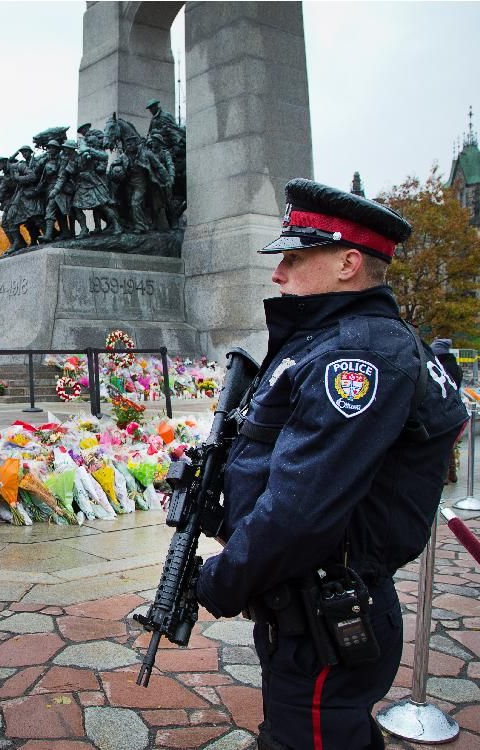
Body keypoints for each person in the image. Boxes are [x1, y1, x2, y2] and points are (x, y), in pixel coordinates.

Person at [194, 178, 468, 750]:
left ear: (348, 263)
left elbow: (302, 509)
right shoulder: (334, 340)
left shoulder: (356, 354)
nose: (278, 273)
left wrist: (220, 580)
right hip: (315, 603)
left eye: (294, 258)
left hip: (326, 614)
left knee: (310, 735)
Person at [431, 338, 464, 482]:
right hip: (454, 409)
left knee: (440, 447)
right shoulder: (455, 366)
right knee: (450, 444)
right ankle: (452, 473)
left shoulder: (436, 366)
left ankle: (444, 476)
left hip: (438, 408)